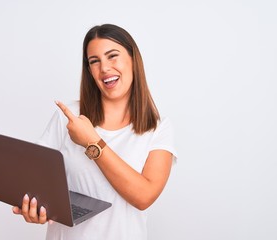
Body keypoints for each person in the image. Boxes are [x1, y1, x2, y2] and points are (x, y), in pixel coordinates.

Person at [12, 23, 177, 240]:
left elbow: (143, 196)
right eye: (94, 61)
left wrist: (92, 141)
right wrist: (33, 206)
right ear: (89, 70)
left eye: (112, 56)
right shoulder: (69, 116)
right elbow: (32, 178)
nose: (105, 68)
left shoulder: (158, 128)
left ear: (133, 60)